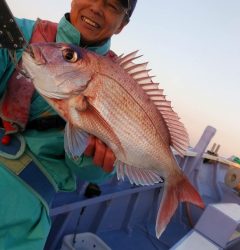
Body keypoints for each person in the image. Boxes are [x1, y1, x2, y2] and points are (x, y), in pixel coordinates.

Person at [0, 0, 137, 249]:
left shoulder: (122, 83)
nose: (96, 8)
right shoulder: (16, 33)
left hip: (25, 207)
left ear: (122, 25)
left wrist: (93, 160)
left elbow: (94, 173)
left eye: (113, 5)